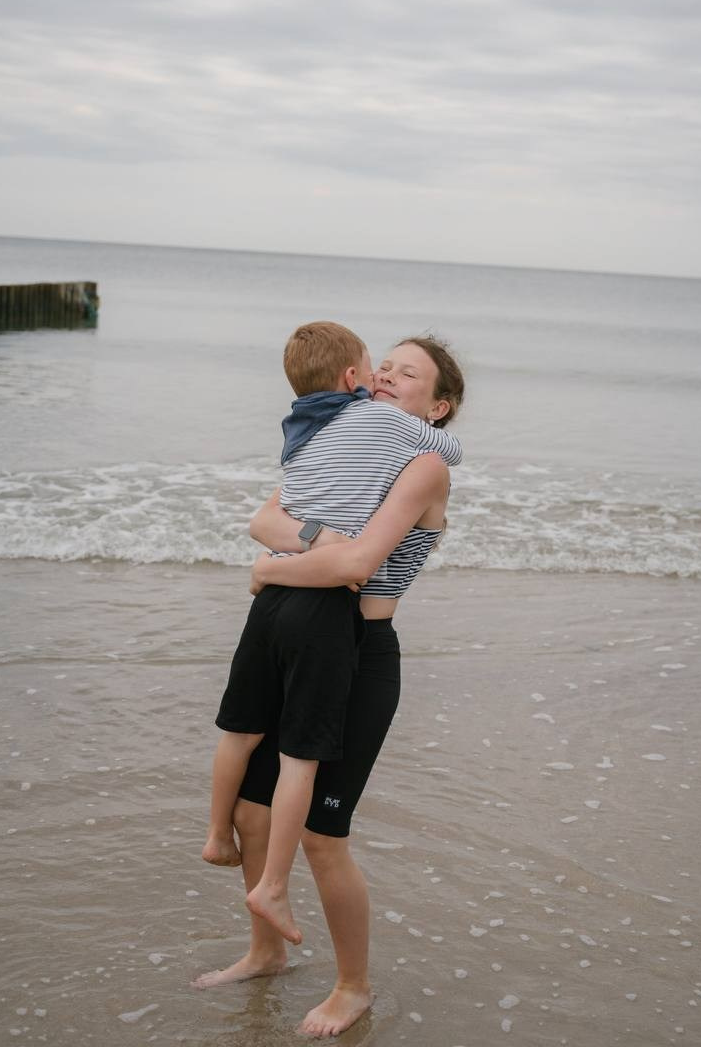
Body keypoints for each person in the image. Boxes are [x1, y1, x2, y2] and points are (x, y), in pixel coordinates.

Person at [194, 336, 465, 1039]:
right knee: (253, 817)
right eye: (385, 365)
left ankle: (353, 987)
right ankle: (265, 951)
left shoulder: (425, 462)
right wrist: (306, 542)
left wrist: (268, 570)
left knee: (321, 835)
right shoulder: (341, 442)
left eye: (408, 374)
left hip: (361, 656)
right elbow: (264, 519)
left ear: (438, 406)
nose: (386, 376)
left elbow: (361, 560)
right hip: (306, 635)